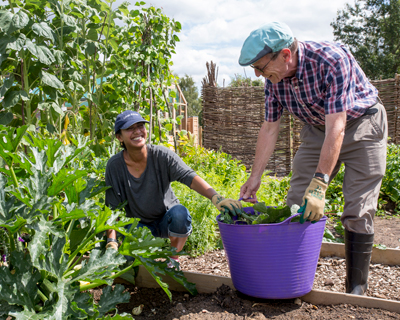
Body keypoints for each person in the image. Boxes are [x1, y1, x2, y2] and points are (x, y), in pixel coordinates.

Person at [238, 22, 387, 295]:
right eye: (255, 70)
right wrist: (255, 177)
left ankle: (356, 290)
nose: (259, 74)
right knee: (298, 202)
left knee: (358, 207)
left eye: (260, 67)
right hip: (318, 128)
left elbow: (337, 127)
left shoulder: (331, 60)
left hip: (362, 123)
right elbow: (270, 128)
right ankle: (292, 277)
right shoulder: (275, 80)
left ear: (285, 54)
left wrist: (320, 185)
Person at [105, 110, 242, 266]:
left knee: (180, 214)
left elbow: (188, 176)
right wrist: (111, 241)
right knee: (128, 262)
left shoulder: (161, 156)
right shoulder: (114, 166)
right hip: (138, 226)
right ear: (119, 137)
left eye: (140, 125)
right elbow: (112, 208)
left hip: (166, 219)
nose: (137, 131)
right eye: (130, 128)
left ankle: (173, 258)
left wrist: (216, 198)